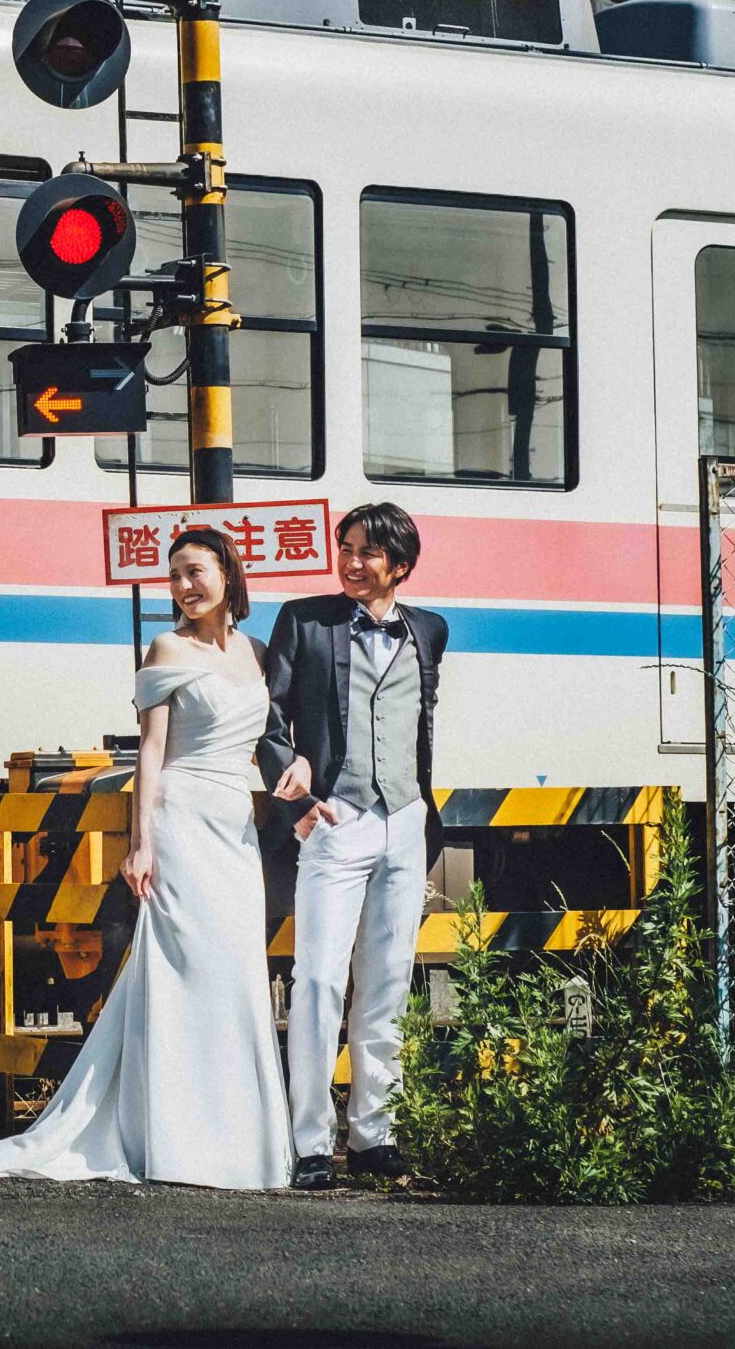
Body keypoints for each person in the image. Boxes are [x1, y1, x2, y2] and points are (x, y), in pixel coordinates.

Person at [0, 529, 291, 1188]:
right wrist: (143, 842)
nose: (185, 587)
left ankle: (239, 1142)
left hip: (236, 828)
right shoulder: (167, 648)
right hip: (182, 820)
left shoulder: (258, 653)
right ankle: (177, 1140)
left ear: (227, 573)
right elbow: (151, 753)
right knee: (184, 973)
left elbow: (271, 740)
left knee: (236, 975)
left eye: (196, 572)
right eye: (175, 577)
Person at [256, 502, 448, 1191]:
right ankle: (310, 1143)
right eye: (345, 547)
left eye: (367, 551)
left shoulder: (429, 629)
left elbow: (416, 721)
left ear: (399, 564)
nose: (350, 561)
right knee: (316, 980)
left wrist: (417, 810)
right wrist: (299, 797)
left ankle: (374, 1135)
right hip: (334, 819)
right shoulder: (304, 620)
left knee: (388, 982)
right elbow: (268, 717)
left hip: (404, 819)